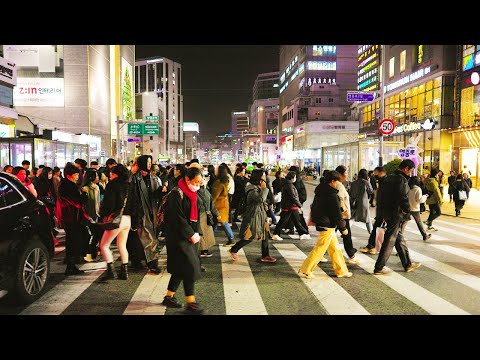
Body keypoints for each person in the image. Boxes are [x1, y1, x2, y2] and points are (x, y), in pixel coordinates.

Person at [161, 167, 205, 314]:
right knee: (189, 268)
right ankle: (191, 302)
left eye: (200, 182)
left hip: (189, 237)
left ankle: (169, 296)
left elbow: (197, 215)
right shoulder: (176, 194)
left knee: (180, 268)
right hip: (177, 237)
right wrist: (190, 234)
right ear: (187, 179)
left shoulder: (194, 194)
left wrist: (197, 231)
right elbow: (176, 218)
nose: (199, 185)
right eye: (196, 182)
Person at [298, 170, 352, 279]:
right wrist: (343, 228)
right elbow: (336, 214)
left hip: (324, 222)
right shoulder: (331, 195)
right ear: (332, 181)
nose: (337, 184)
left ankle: (341, 270)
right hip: (327, 224)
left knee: (335, 249)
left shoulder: (321, 191)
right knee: (320, 248)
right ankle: (306, 269)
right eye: (337, 181)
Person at [373, 159, 421, 275]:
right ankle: (379, 267)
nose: (410, 173)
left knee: (398, 238)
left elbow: (380, 196)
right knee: (390, 240)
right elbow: (402, 197)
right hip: (395, 213)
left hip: (387, 212)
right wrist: (406, 210)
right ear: (406, 169)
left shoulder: (388, 178)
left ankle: (407, 264)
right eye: (410, 171)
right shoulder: (401, 180)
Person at [228, 169, 277, 263]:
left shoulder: (258, 186)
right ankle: (234, 249)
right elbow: (260, 199)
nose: (264, 178)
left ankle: (265, 255)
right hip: (254, 215)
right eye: (263, 176)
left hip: (261, 214)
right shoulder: (251, 188)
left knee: (265, 235)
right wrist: (264, 189)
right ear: (258, 177)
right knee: (251, 235)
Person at [129, 155, 162, 273]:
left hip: (151, 212)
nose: (149, 164)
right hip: (139, 213)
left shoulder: (153, 178)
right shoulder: (134, 178)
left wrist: (162, 191)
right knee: (147, 239)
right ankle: (151, 263)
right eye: (147, 162)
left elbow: (154, 195)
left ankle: (142, 262)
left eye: (150, 162)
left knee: (148, 238)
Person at [99, 164, 132, 280]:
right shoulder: (129, 185)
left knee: (104, 245)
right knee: (122, 245)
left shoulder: (112, 185)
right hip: (127, 219)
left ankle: (111, 271)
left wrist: (104, 214)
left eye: (111, 173)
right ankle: (124, 271)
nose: (110, 175)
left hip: (116, 219)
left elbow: (109, 203)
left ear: (115, 174)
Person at [57, 163, 90, 275]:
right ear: (69, 175)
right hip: (72, 218)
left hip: (70, 218)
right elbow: (77, 202)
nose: (77, 177)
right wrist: (84, 194)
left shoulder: (65, 185)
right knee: (73, 241)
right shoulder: (69, 186)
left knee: (72, 241)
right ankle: (71, 266)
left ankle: (71, 264)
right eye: (76, 174)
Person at [272, 171, 309, 241]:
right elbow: (293, 197)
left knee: (296, 220)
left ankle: (302, 234)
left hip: (289, 205)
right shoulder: (289, 185)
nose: (295, 179)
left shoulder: (288, 184)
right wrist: (299, 205)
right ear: (292, 178)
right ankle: (276, 234)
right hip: (290, 206)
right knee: (284, 221)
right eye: (295, 177)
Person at [360, 166, 387, 254]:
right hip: (381, 209)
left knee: (393, 233)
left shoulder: (386, 182)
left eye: (375, 173)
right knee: (377, 227)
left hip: (385, 210)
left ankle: (374, 246)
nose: (373, 175)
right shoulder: (382, 181)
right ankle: (372, 246)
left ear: (380, 172)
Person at [335, 165, 357, 263]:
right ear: (340, 174)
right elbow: (340, 199)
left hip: (341, 215)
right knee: (346, 235)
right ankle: (351, 255)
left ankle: (351, 253)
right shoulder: (339, 185)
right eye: (346, 173)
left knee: (330, 235)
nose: (347, 175)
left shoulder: (340, 184)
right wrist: (344, 211)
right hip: (342, 215)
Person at [212, 164, 235, 247]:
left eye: (216, 170)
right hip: (224, 204)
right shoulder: (226, 180)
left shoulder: (218, 183)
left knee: (223, 222)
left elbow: (215, 196)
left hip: (219, 205)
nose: (215, 171)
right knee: (215, 222)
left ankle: (231, 239)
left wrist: (210, 204)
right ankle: (209, 238)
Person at [81, 169, 101, 261]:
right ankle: (89, 254)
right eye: (96, 176)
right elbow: (89, 203)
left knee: (95, 235)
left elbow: (97, 203)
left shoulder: (96, 187)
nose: (98, 178)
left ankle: (92, 253)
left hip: (96, 215)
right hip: (89, 216)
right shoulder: (85, 188)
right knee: (91, 235)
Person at [349, 169, 373, 234]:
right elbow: (371, 191)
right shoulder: (366, 182)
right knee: (368, 220)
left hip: (354, 202)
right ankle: (371, 233)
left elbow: (350, 193)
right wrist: (369, 182)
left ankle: (347, 231)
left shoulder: (353, 183)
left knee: (352, 218)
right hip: (363, 203)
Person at [408, 176, 430, 241]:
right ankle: (424, 235)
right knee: (419, 223)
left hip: (408, 207)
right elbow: (419, 200)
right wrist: (425, 196)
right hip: (415, 208)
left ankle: (399, 236)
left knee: (404, 222)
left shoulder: (408, 188)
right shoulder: (418, 189)